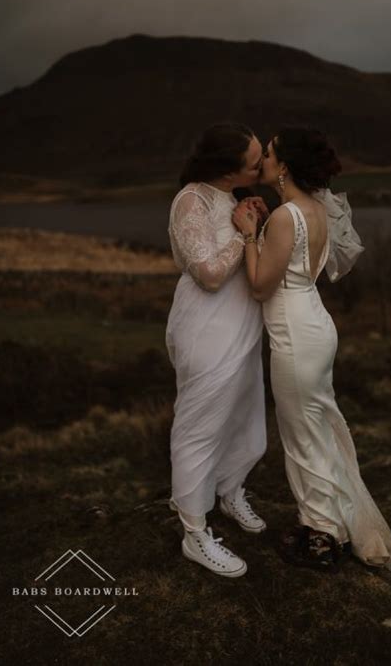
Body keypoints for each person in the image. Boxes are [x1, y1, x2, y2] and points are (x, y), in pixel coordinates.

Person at [232, 126, 391, 572]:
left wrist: (248, 232)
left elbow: (257, 286)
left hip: (294, 333)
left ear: (284, 165)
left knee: (301, 435)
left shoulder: (287, 215)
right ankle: (331, 524)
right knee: (317, 430)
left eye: (269, 153)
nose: (263, 159)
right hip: (314, 324)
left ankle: (321, 536)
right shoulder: (315, 210)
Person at [166, 122, 270, 578]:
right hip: (207, 328)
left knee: (246, 416)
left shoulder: (228, 198)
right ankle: (194, 532)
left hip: (242, 324)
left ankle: (230, 491)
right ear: (228, 169)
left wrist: (245, 218)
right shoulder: (191, 199)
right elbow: (208, 273)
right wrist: (245, 234)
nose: (262, 162)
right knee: (200, 425)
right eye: (253, 159)